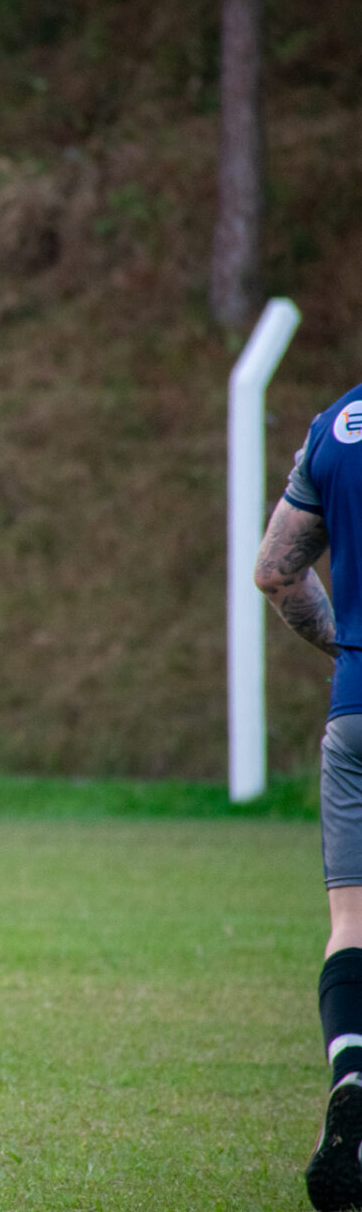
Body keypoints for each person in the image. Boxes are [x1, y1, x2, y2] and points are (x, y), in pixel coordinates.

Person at [256, 386, 362, 1212]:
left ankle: (352, 1072)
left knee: (351, 924)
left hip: (356, 708)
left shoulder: (336, 423)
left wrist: (345, 650)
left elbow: (277, 570)